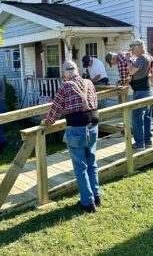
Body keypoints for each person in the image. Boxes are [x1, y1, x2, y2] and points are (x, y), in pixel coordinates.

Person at [41, 60, 100, 213]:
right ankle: (96, 195)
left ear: (64, 74)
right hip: (93, 126)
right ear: (77, 70)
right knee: (92, 163)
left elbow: (56, 109)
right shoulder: (89, 83)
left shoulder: (65, 86)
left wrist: (47, 122)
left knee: (80, 166)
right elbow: (94, 103)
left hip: (76, 129)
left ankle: (87, 202)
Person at [127, 39, 153, 151]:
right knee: (147, 117)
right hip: (148, 89)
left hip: (141, 92)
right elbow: (152, 75)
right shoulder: (150, 57)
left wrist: (129, 61)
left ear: (138, 47)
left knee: (136, 118)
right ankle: (148, 141)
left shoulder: (142, 57)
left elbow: (131, 71)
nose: (133, 52)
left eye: (133, 49)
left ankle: (139, 144)